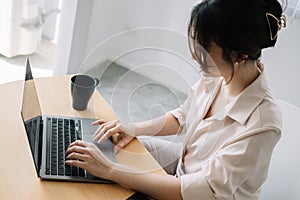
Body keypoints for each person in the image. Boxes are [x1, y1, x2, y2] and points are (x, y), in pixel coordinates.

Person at [65, 0, 286, 199]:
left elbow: (200, 190)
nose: (195, 55)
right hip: (185, 167)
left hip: (202, 194)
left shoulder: (262, 124)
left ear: (239, 55)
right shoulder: (220, 74)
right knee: (121, 147)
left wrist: (110, 171)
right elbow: (182, 117)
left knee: (110, 180)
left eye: (205, 48)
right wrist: (133, 128)